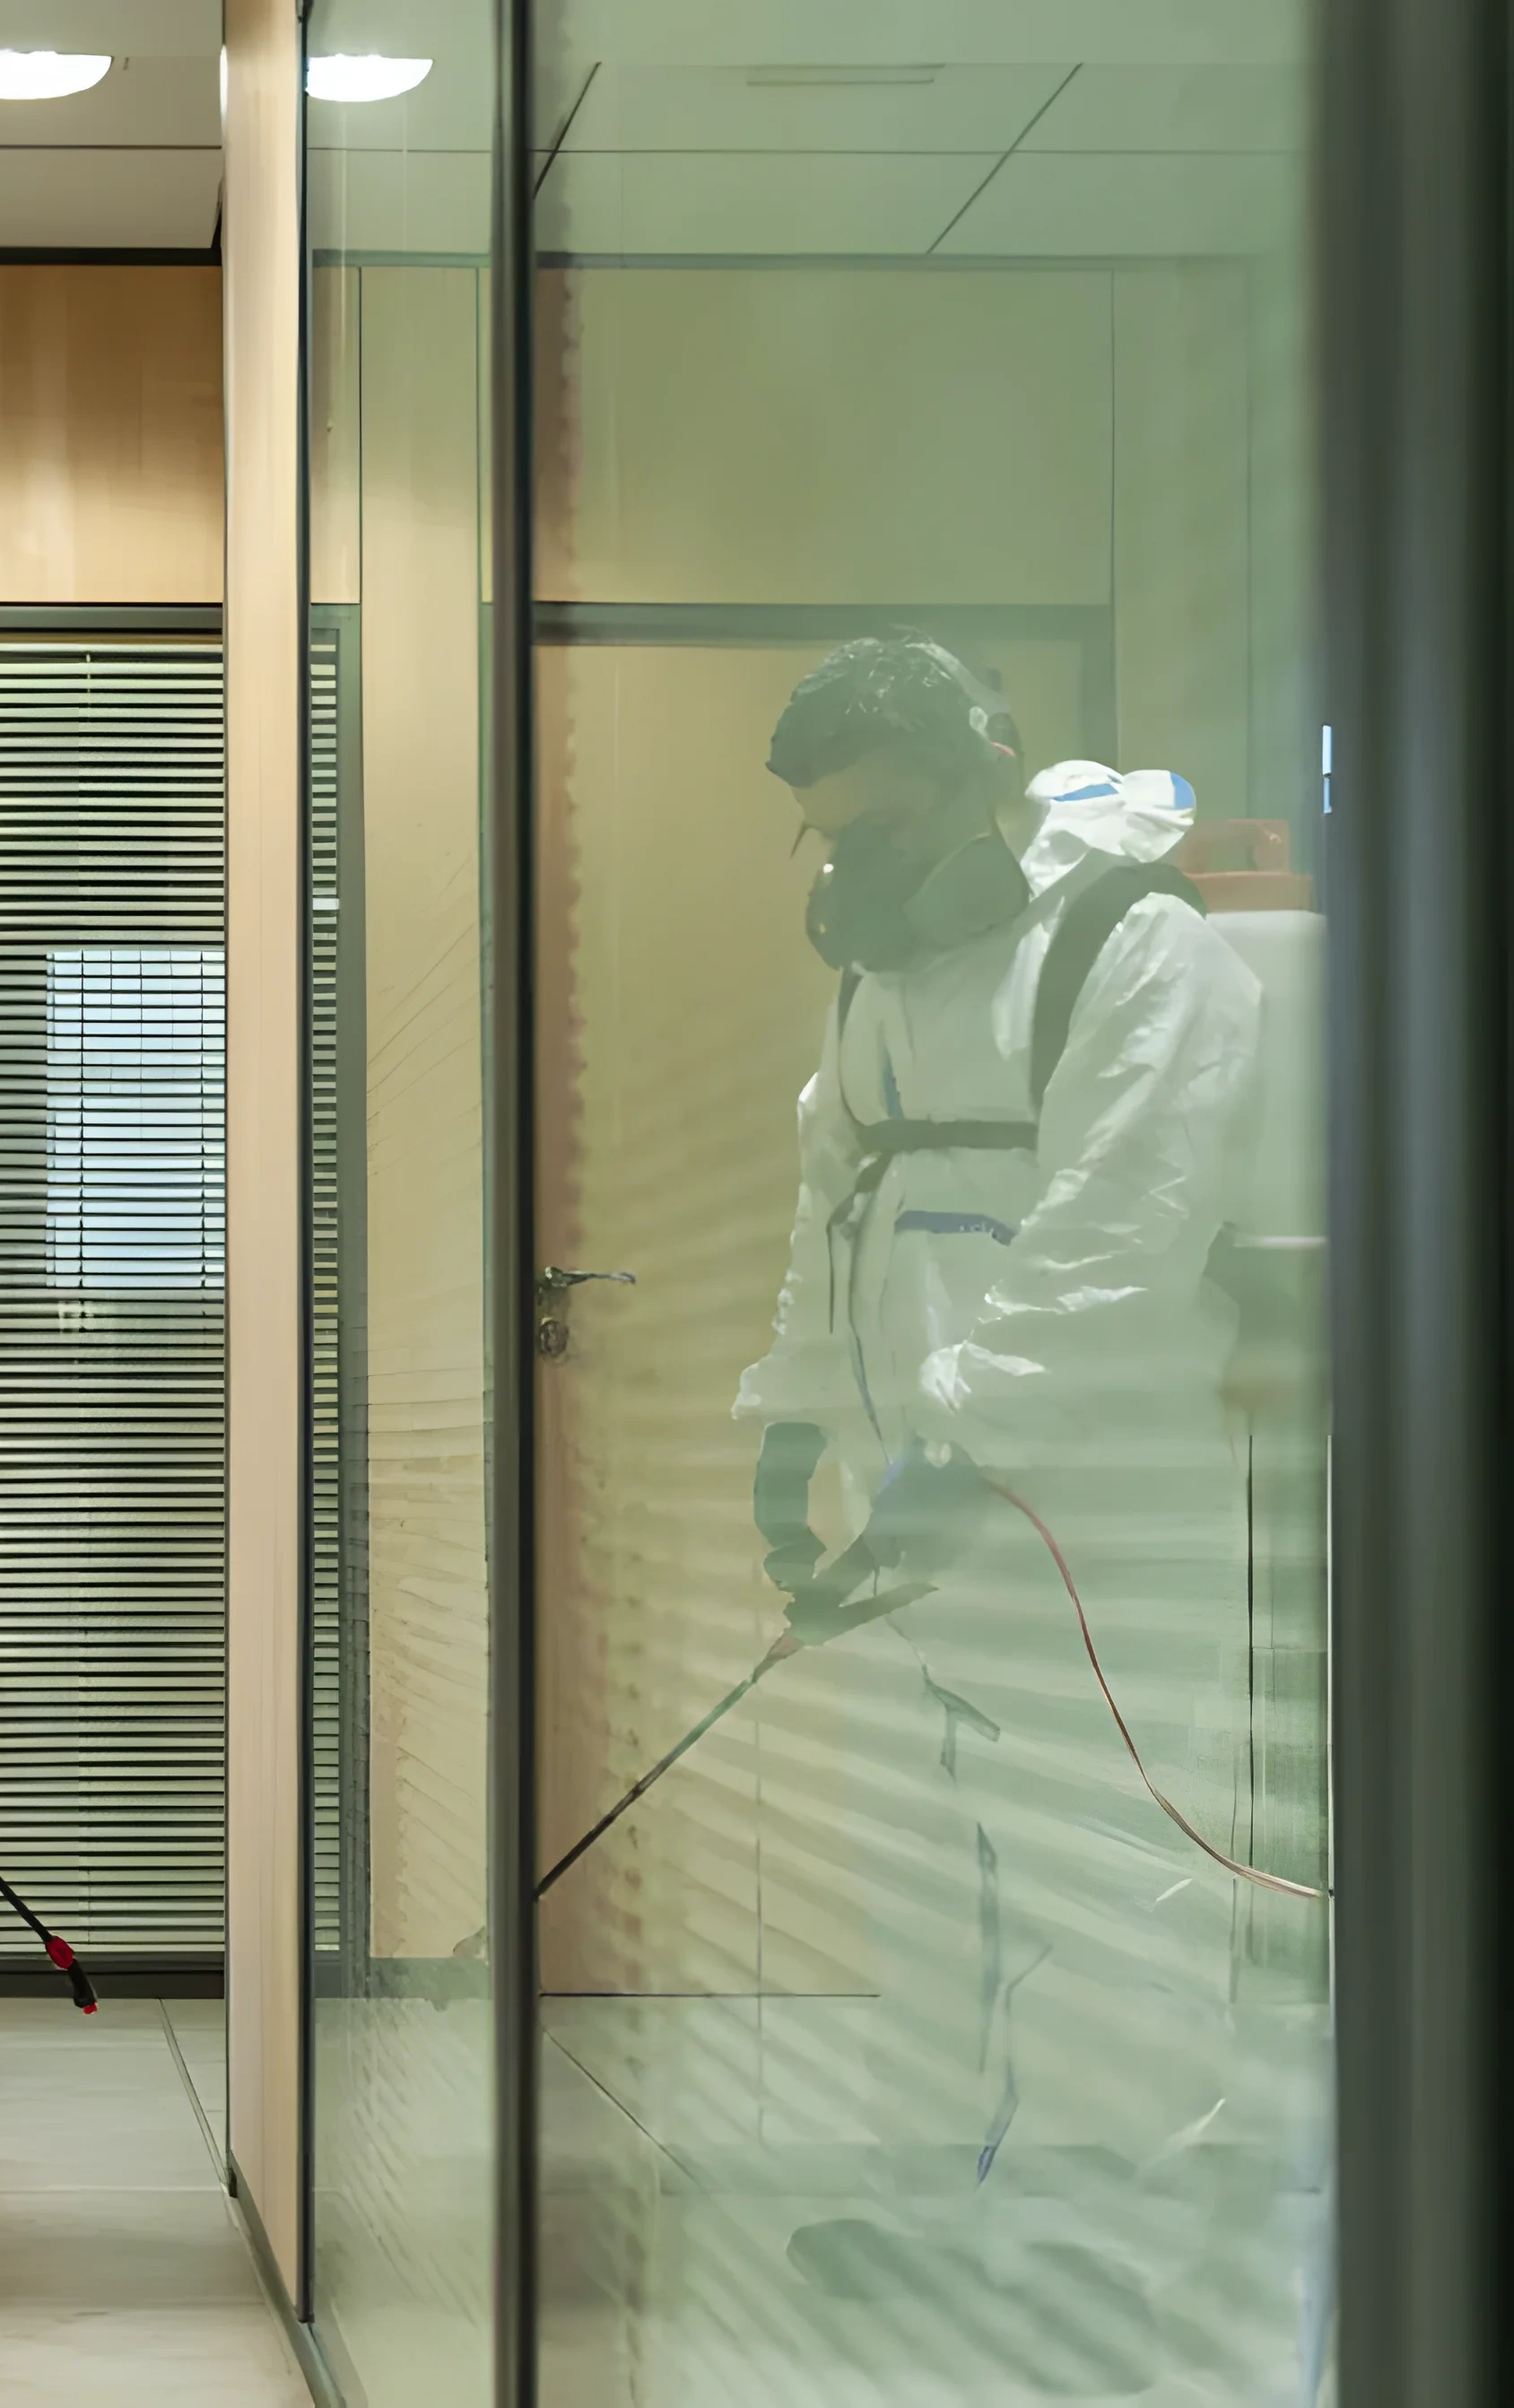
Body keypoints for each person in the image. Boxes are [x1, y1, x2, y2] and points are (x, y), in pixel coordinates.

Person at [734, 633, 1291, 2384]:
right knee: (940, 1875)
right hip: (924, 1510)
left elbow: (1116, 1236)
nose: (852, 867)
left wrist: (960, 1445)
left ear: (984, 771)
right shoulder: (877, 980)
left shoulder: (1135, 950)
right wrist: (792, 1415)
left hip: (1095, 1520)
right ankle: (943, 2211)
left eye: (879, 820)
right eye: (825, 838)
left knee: (1100, 1880)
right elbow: (836, 1204)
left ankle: (1096, 2248)